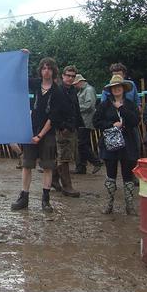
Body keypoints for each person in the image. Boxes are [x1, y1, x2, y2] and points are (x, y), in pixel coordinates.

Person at [11, 56, 62, 212]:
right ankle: (23, 197)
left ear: (53, 71)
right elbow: (17, 79)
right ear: (40, 70)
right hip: (30, 130)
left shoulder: (57, 91)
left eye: (49, 68)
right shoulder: (35, 84)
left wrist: (39, 135)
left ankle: (45, 200)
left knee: (47, 166)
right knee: (27, 165)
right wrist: (21, 57)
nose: (46, 71)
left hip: (47, 132)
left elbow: (53, 117)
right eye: (43, 68)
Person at [93, 75, 140, 215]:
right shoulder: (104, 105)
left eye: (119, 86)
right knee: (110, 174)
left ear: (123, 88)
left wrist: (122, 109)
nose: (116, 89)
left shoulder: (130, 105)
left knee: (128, 175)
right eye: (114, 87)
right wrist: (111, 125)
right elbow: (96, 122)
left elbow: (135, 121)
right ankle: (109, 203)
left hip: (128, 144)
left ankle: (130, 205)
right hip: (109, 144)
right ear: (110, 90)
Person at [50, 65, 84, 197]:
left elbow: (76, 109)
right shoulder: (57, 90)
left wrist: (78, 125)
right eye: (68, 75)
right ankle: (67, 186)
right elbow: (54, 111)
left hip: (72, 127)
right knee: (64, 158)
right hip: (62, 128)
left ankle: (53, 179)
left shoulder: (72, 90)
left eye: (73, 76)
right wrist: (61, 126)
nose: (70, 78)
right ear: (63, 76)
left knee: (65, 155)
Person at [72, 74, 102, 174]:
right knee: (82, 143)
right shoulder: (82, 91)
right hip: (82, 121)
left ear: (80, 82)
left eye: (75, 84)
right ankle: (81, 167)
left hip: (86, 121)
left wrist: (76, 109)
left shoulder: (88, 90)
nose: (75, 86)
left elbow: (90, 105)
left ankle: (96, 162)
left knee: (81, 144)